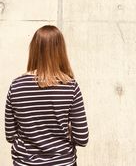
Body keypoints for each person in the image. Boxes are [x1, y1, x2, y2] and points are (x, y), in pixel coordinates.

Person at [5, 25, 89, 166]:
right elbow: (82, 137)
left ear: (34, 50)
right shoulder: (70, 86)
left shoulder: (16, 86)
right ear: (60, 51)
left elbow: (10, 135)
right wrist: (65, 130)